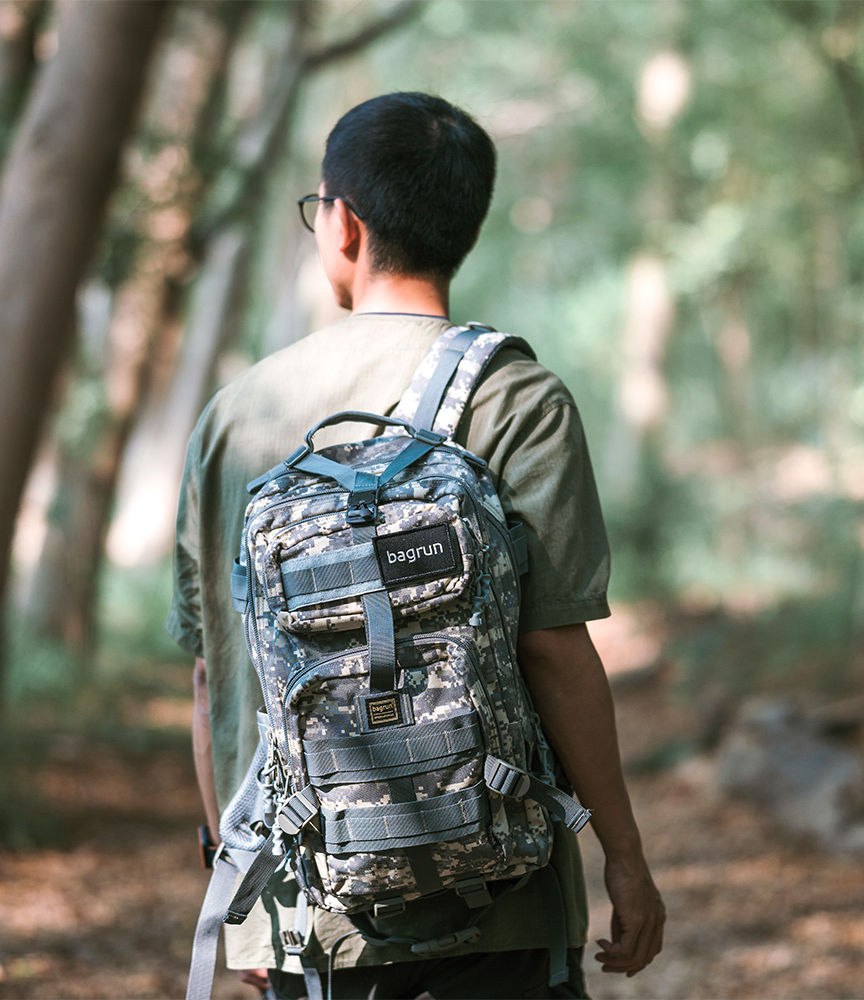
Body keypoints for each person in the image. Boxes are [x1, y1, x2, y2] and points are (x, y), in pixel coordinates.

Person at [168, 92, 665, 1000]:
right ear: (463, 226)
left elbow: (216, 677)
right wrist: (623, 857)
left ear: (343, 224)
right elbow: (554, 648)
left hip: (309, 910)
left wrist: (238, 887)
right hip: (504, 897)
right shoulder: (521, 397)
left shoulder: (236, 417)